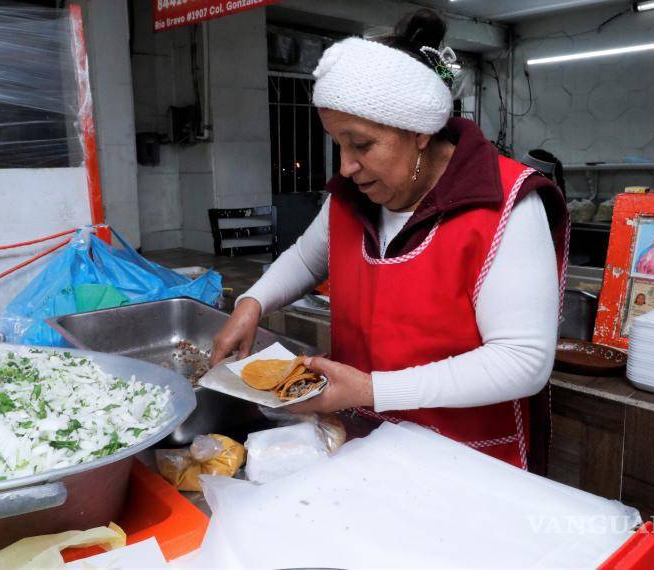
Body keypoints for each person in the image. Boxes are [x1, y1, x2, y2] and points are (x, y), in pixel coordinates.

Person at [210, 10, 568, 470]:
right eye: (338, 143)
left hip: (470, 463)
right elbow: (306, 258)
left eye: (361, 145)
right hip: (364, 445)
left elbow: (522, 361)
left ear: (419, 131)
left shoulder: (506, 206)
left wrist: (372, 390)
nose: (345, 166)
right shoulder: (351, 198)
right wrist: (252, 302)